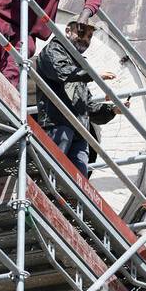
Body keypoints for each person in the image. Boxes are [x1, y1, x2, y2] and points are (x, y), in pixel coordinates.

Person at [35, 20, 121, 179]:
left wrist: (112, 110)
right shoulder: (53, 50)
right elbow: (62, 72)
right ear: (68, 30)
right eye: (81, 33)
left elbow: (86, 105)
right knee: (51, 174)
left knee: (79, 183)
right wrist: (94, 75)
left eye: (89, 36)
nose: (85, 39)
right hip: (58, 126)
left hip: (79, 132)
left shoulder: (78, 65)